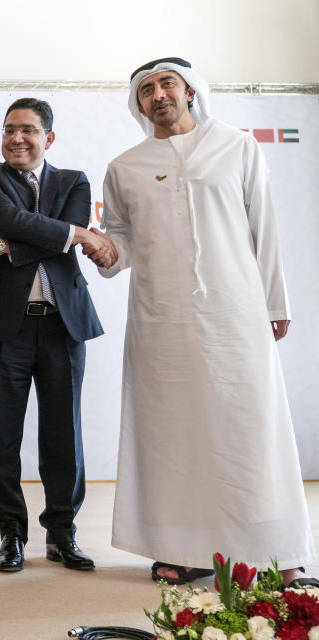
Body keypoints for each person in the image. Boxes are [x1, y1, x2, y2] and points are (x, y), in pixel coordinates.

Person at [90, 57, 317, 587]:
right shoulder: (125, 166)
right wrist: (104, 252)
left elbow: (264, 226)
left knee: (251, 431)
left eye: (167, 83)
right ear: (138, 104)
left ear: (190, 91)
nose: (158, 94)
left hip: (236, 314)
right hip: (161, 320)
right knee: (172, 437)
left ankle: (278, 553)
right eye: (146, 89)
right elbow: (122, 243)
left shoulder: (238, 146)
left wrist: (275, 303)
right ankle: (183, 549)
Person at [0, 98, 105, 573]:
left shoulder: (74, 181)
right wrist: (70, 236)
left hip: (63, 323)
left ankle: (62, 533)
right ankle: (10, 534)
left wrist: (5, 245)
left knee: (65, 432)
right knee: (1, 433)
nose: (16, 138)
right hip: (4, 324)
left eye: (27, 130)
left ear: (49, 138)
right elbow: (20, 223)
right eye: (8, 129)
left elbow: (27, 233)